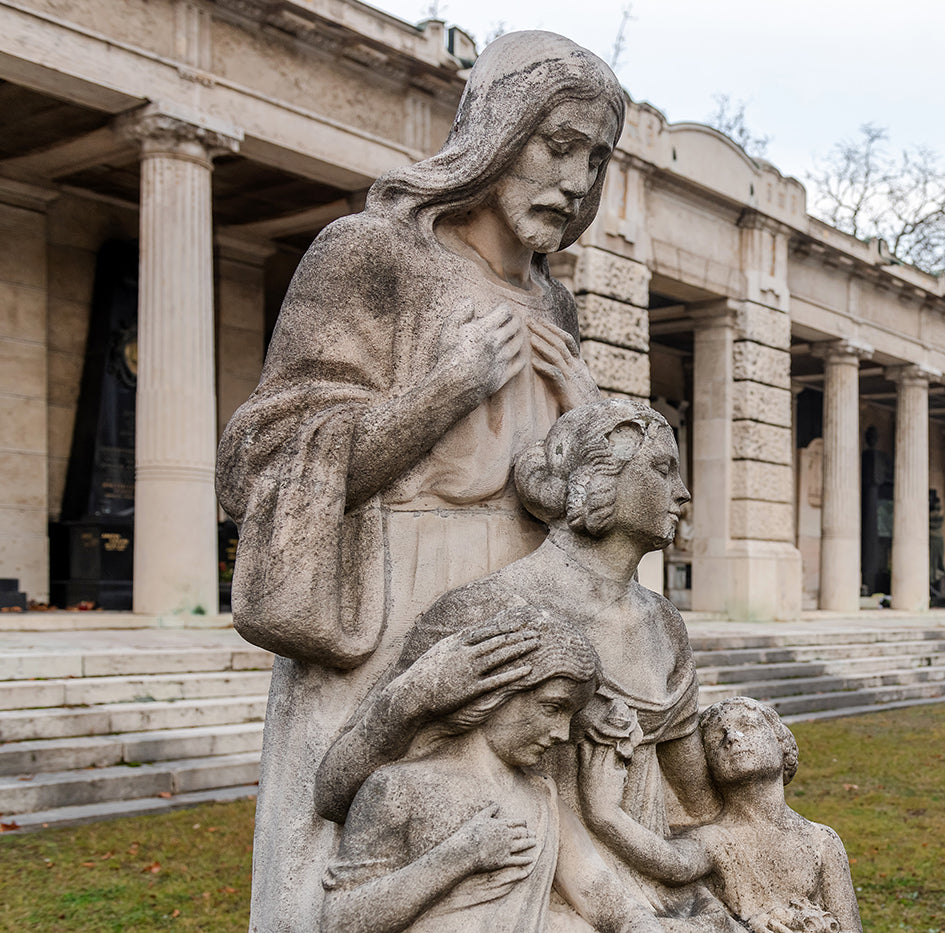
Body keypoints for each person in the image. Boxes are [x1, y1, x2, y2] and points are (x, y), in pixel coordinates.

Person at [214, 32, 626, 931]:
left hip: (524, 620)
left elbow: (558, 492)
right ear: (496, 131)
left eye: (595, 158)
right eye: (557, 144)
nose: (575, 180)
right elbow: (259, 466)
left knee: (515, 872)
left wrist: (585, 409)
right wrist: (445, 389)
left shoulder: (554, 303)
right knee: (361, 859)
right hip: (390, 607)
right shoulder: (369, 254)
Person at [317, 399, 739, 931]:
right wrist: (416, 694)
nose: (682, 492)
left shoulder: (663, 623)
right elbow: (334, 793)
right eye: (662, 468)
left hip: (647, 880)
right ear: (597, 477)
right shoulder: (489, 609)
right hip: (525, 889)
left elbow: (695, 804)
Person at [319, 606, 662, 933]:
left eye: (570, 716)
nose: (562, 732)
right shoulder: (397, 787)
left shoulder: (541, 795)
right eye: (553, 707)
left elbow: (609, 903)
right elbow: (340, 920)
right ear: (499, 691)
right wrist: (462, 854)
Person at [578, 697, 862, 933]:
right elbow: (671, 863)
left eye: (747, 726)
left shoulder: (821, 840)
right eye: (717, 737)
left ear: (781, 744)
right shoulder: (714, 839)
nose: (731, 737)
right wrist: (605, 814)